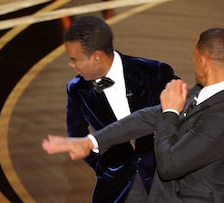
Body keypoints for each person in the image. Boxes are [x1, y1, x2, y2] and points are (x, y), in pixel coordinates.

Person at [44, 27, 224, 202]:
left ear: (203, 62)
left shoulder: (222, 118)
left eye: (194, 57)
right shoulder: (208, 90)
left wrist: (169, 112)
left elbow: (169, 165)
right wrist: (91, 141)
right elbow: (149, 117)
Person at [62, 15, 178, 203]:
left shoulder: (155, 72)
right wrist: (104, 166)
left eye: (75, 59)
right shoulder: (77, 89)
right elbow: (77, 135)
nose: (72, 65)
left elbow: (184, 117)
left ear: (97, 56)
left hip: (164, 183)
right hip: (114, 188)